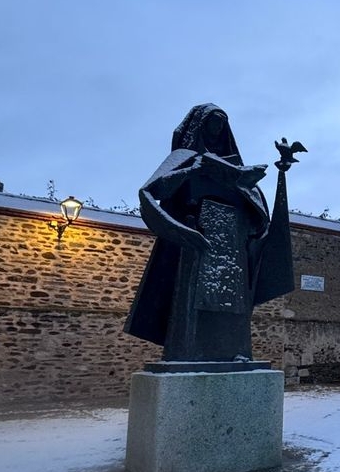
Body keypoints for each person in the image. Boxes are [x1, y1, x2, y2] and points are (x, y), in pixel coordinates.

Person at [124, 103, 304, 363]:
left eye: (222, 122)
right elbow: (152, 191)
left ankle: (233, 352)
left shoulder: (236, 167)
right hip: (199, 240)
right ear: (200, 125)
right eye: (213, 121)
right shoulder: (185, 157)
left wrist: (279, 172)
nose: (218, 127)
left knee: (232, 307)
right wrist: (196, 169)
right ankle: (187, 355)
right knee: (192, 304)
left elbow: (257, 216)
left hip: (232, 244)